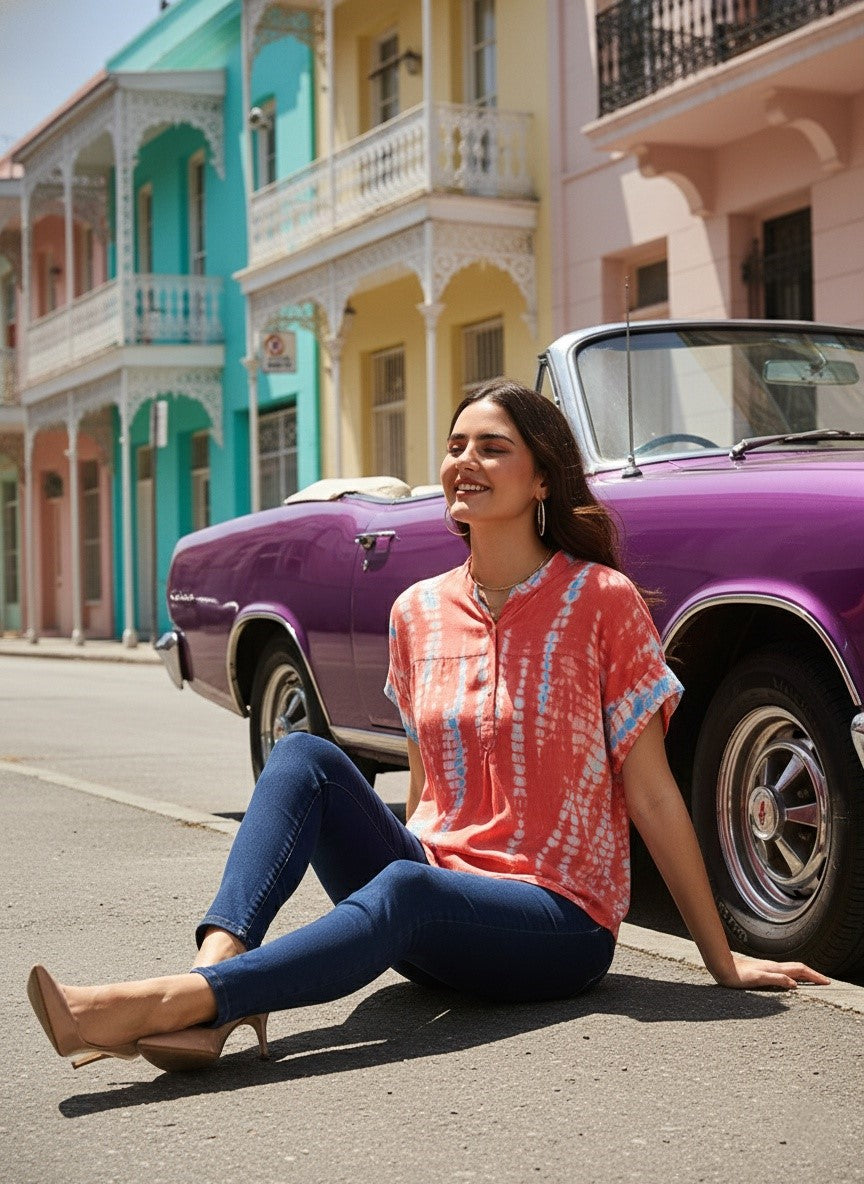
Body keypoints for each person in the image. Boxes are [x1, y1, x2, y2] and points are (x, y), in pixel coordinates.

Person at [27, 379, 829, 1074]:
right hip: (441, 899)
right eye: (455, 446)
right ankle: (215, 981)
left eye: (492, 446)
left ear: (542, 477)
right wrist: (420, 870)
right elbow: (426, 792)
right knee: (304, 755)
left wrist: (722, 962)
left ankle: (166, 1003)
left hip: (556, 921)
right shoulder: (418, 610)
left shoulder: (602, 602)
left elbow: (652, 795)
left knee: (406, 887)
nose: (463, 462)